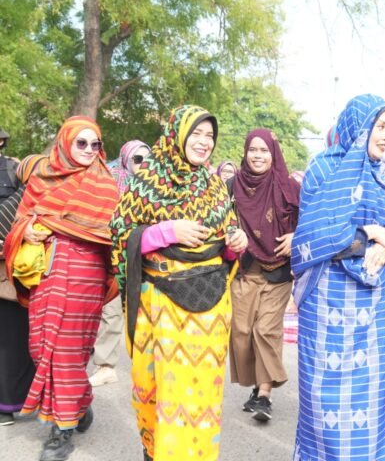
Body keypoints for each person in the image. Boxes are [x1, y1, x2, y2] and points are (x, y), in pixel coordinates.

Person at [110, 105, 247, 461]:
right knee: (153, 389)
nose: (204, 142)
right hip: (160, 302)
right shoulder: (146, 181)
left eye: (210, 136)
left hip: (210, 310)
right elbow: (121, 236)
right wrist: (166, 231)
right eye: (196, 134)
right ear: (176, 135)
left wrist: (236, 243)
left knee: (199, 399)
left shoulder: (215, 186)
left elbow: (226, 241)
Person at [291, 94, 385, 460]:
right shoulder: (323, 171)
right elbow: (314, 238)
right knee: (323, 401)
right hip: (328, 303)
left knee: (373, 401)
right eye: (380, 126)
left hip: (374, 307)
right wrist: (371, 232)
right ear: (359, 127)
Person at [3, 116, 119, 461]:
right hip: (47, 272)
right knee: (41, 347)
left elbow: (115, 234)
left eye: (95, 144)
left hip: (86, 275)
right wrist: (26, 231)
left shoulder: (106, 183)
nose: (88, 150)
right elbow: (20, 220)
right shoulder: (43, 177)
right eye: (81, 142)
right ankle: (80, 402)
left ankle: (61, 431)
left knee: (67, 350)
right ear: (65, 142)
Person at [228, 128, 300, 422]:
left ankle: (265, 395)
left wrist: (296, 236)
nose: (258, 156)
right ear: (245, 152)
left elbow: (310, 221)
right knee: (242, 332)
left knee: (265, 330)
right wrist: (231, 235)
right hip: (243, 270)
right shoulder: (232, 186)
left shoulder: (289, 188)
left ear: (274, 154)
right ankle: (257, 385)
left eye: (264, 151)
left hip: (279, 271)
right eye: (253, 150)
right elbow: (219, 220)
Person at [89, 140, 151, 387]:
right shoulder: (110, 183)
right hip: (114, 257)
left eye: (148, 159)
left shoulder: (156, 186)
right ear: (126, 159)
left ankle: (151, 368)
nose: (143, 164)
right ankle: (105, 366)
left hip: (145, 260)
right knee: (111, 311)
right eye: (138, 159)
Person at [0, 136, 34, 427]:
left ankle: (8, 403)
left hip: (7, 266)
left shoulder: (15, 171)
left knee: (11, 337)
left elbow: (30, 211)